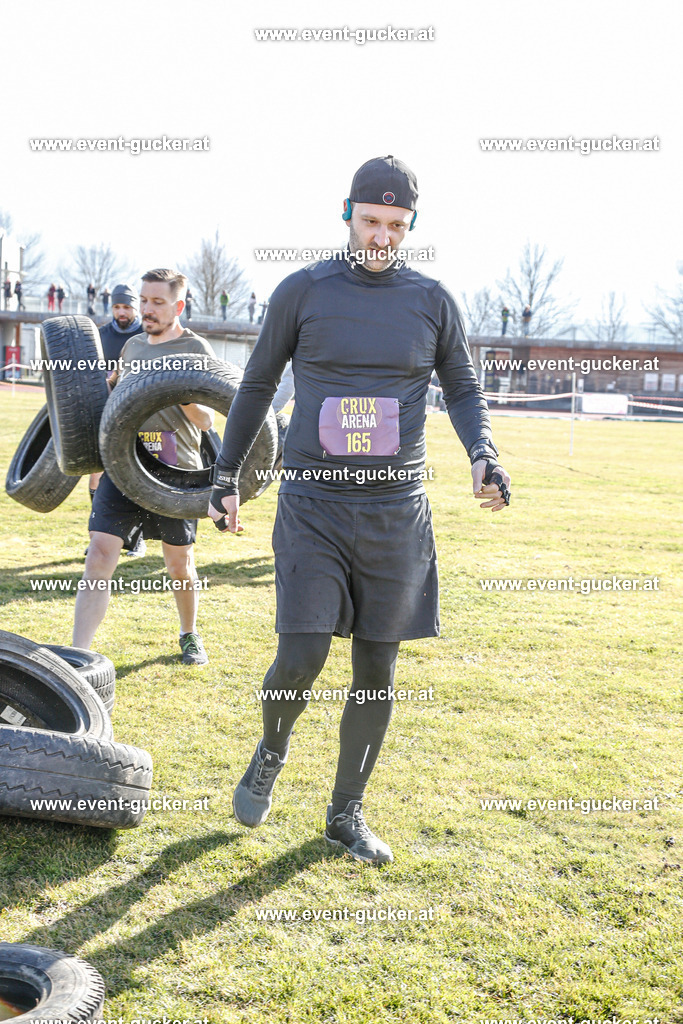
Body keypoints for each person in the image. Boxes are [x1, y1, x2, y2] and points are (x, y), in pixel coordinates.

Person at [209, 155, 511, 865]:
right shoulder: (303, 291)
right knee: (302, 655)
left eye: (395, 226)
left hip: (394, 513)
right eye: (370, 222)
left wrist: (481, 453)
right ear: (346, 214)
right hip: (313, 502)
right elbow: (255, 384)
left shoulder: (432, 300)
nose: (380, 237)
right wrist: (224, 473)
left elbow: (462, 388)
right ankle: (273, 747)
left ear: (411, 227)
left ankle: (346, 812)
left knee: (376, 672)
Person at [73, 268, 216, 667]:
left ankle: (189, 634)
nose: (147, 310)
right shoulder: (133, 346)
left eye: (157, 302)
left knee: (179, 564)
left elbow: (207, 420)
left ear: (178, 305)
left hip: (176, 470)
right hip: (126, 463)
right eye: (144, 301)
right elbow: (117, 400)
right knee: (99, 554)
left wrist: (181, 390)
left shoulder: (196, 349)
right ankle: (78, 652)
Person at [89, 283, 147, 558]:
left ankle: (136, 539)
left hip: (140, 414)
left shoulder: (145, 334)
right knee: (96, 475)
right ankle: (98, 537)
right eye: (116, 306)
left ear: (135, 307)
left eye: (126, 306)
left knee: (135, 476)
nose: (121, 312)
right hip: (105, 412)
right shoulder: (99, 335)